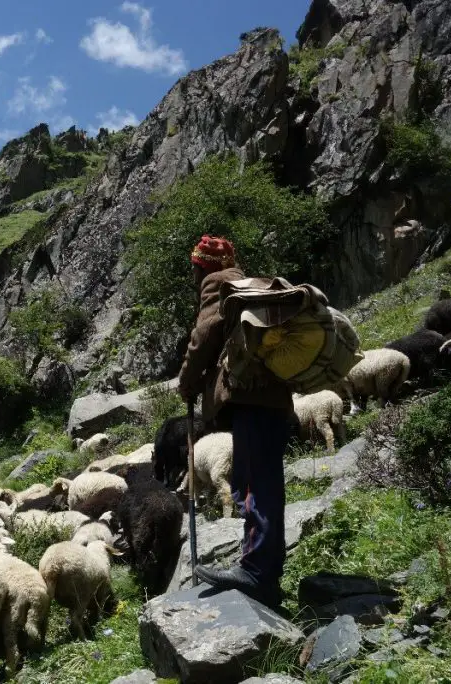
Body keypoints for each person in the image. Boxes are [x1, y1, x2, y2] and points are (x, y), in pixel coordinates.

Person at [177, 234, 293, 609]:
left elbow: (203, 339)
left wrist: (187, 384)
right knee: (265, 481)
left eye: (195, 268)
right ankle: (263, 566)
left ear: (202, 267)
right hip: (276, 399)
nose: (195, 276)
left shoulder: (219, 287)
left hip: (251, 400)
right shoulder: (252, 286)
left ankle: (257, 572)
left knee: (254, 484)